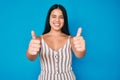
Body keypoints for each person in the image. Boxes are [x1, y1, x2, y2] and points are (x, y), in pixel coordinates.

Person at [26, 4, 86, 80]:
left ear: (65, 20)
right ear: (49, 19)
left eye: (61, 17)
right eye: (54, 16)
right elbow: (31, 58)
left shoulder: (71, 39)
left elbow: (79, 54)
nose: (57, 20)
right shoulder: (39, 39)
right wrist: (30, 52)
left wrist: (82, 50)